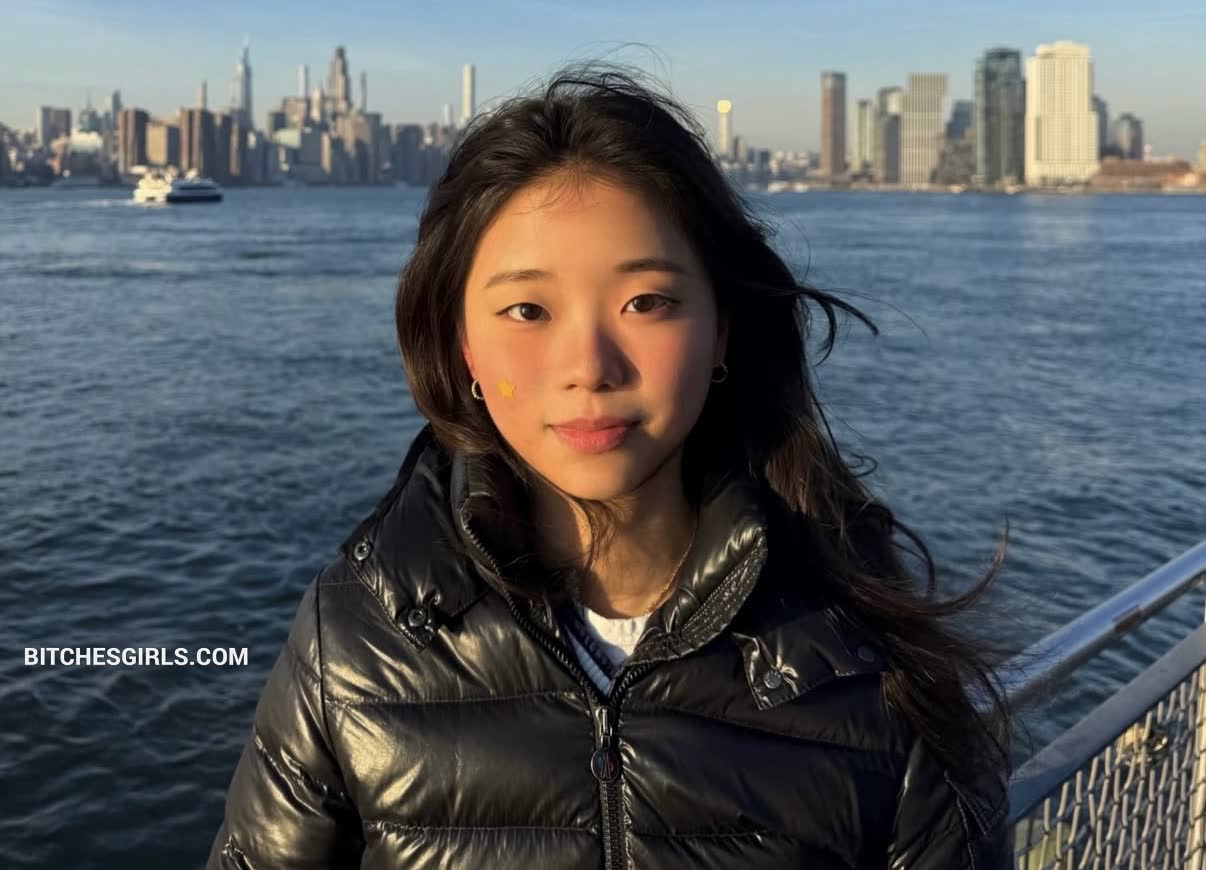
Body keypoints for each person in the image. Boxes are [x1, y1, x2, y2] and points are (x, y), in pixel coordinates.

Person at [206, 61, 1015, 869]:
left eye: (646, 302)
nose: (588, 367)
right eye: (527, 309)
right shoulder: (358, 637)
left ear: (722, 330)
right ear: (463, 349)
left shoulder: (865, 660)